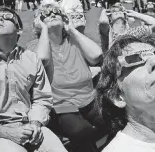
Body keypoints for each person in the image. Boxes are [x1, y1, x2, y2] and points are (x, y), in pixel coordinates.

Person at [0, 6, 67, 152]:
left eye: (6, 17)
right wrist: (4, 131)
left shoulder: (31, 59)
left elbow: (42, 99)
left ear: (19, 30)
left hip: (30, 127)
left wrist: (35, 123)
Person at [27, 3, 104, 152]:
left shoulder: (75, 40)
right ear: (39, 22)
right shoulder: (35, 46)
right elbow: (41, 59)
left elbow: (96, 56)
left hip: (89, 98)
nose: (53, 14)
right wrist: (44, 30)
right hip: (61, 104)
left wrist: (72, 29)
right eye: (46, 14)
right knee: (82, 131)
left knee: (115, 120)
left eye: (57, 12)